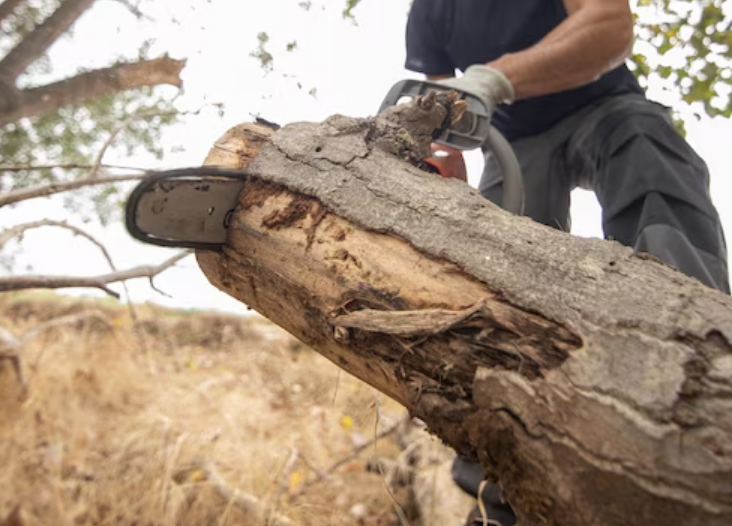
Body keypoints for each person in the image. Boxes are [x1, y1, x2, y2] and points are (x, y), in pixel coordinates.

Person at [404, 0, 730, 524]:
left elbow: (611, 25)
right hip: (516, 141)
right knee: (491, 264)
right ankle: (505, 489)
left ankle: (697, 351)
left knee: (647, 153)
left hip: (606, 107)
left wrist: (498, 76)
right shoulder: (430, 12)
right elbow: (443, 117)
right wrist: (436, 183)